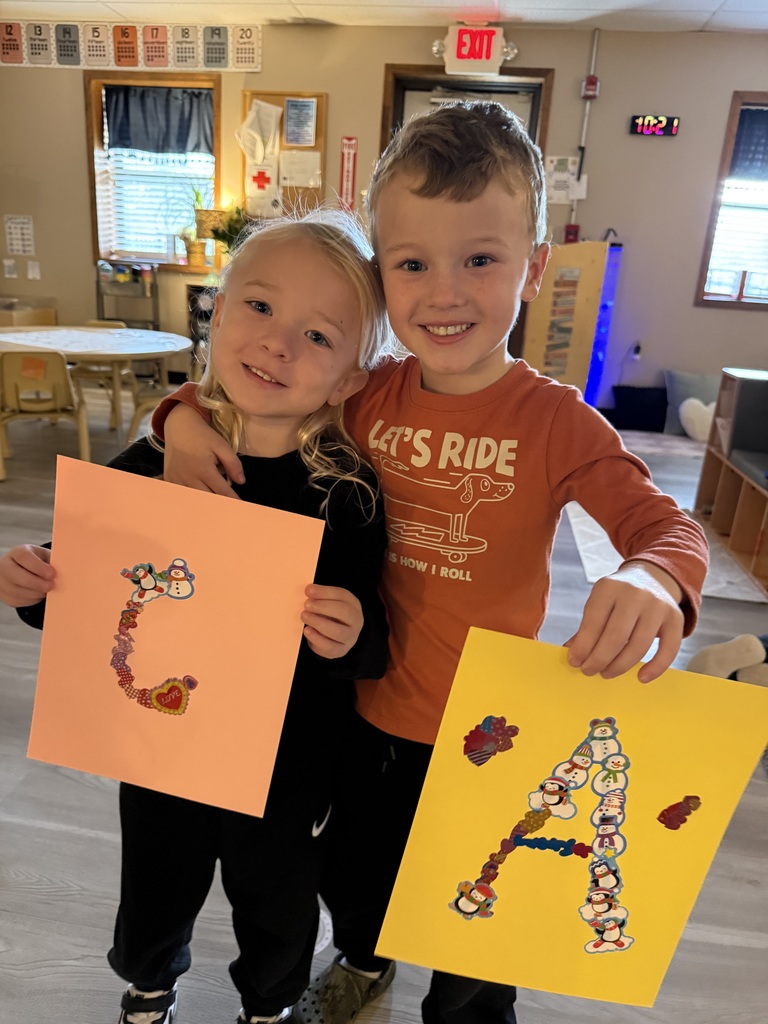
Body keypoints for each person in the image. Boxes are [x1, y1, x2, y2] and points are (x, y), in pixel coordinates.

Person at [149, 102, 709, 1024]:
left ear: (532, 268)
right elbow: (249, 393)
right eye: (413, 263)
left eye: (480, 259)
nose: (444, 292)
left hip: (492, 734)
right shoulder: (364, 395)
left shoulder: (557, 422)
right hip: (359, 714)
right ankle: (364, 960)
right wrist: (178, 417)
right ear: (381, 274)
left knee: (475, 938)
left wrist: (654, 577)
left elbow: (665, 528)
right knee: (357, 889)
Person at [0, 209, 394, 1024]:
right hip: (160, 744)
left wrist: (354, 632)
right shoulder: (153, 459)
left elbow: (375, 640)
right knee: (155, 882)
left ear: (352, 378)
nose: (279, 343)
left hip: (287, 763)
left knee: (279, 899)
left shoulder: (347, 492)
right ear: (215, 314)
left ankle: (269, 1004)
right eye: (258, 307)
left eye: (318, 336)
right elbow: (91, 580)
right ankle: (148, 989)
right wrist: (36, 583)